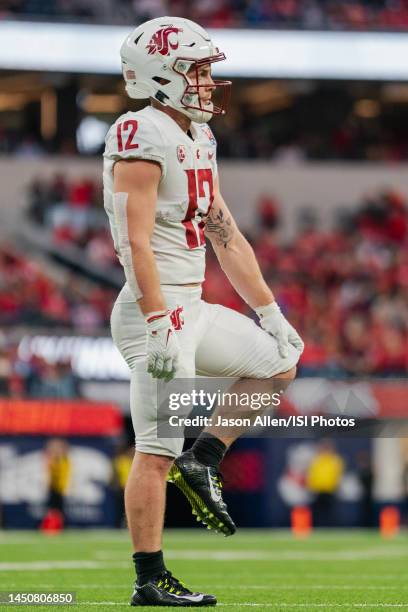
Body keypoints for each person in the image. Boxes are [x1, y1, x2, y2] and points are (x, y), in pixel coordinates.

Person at [103, 16, 303, 607]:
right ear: (161, 73)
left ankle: (206, 458)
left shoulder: (198, 136)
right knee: (154, 449)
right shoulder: (139, 132)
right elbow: (137, 241)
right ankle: (149, 578)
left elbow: (226, 235)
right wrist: (160, 315)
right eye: (196, 67)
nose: (208, 80)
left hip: (191, 307)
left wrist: (272, 314)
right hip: (154, 314)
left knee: (279, 363)